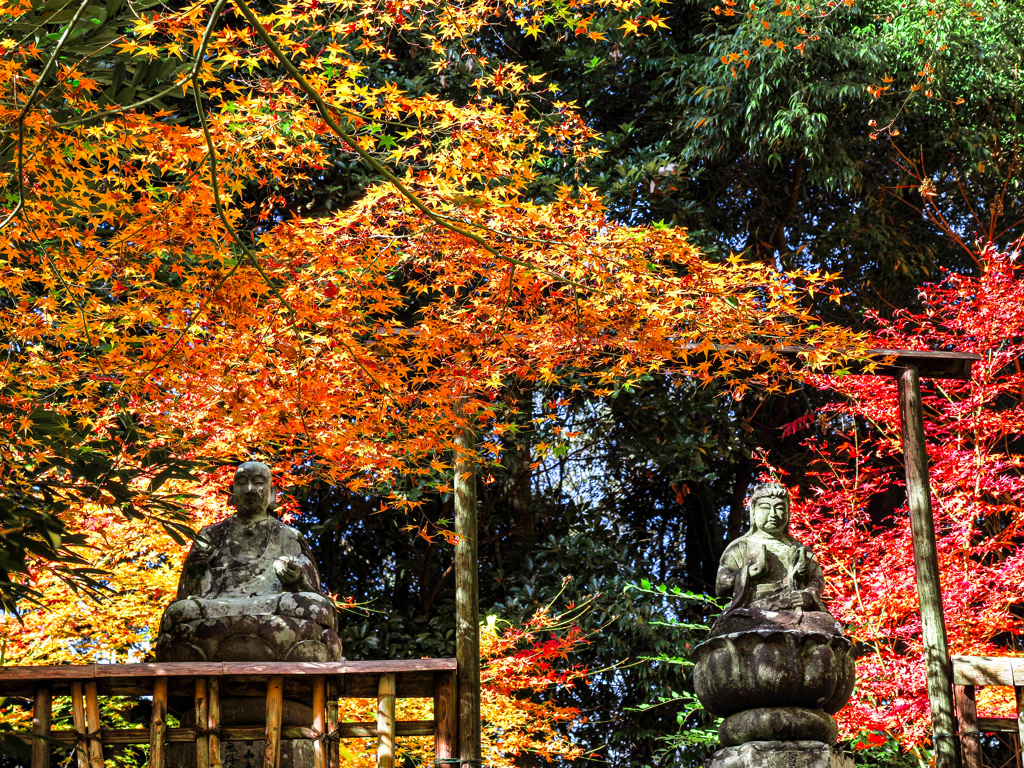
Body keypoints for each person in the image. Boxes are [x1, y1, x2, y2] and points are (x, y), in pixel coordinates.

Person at [155, 461, 342, 662]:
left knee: (315, 607)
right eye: (242, 483)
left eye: (259, 482)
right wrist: (195, 571)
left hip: (272, 606)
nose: (250, 489)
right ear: (232, 492)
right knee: (180, 612)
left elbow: (311, 589)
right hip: (220, 606)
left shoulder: (288, 535)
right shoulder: (211, 534)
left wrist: (297, 579)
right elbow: (187, 593)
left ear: (272, 494)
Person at [711, 482, 838, 636]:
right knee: (732, 623)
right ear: (753, 511)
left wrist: (808, 595)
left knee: (827, 624)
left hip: (792, 610)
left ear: (788, 513)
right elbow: (721, 585)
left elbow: (817, 580)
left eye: (779, 508)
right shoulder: (740, 547)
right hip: (754, 609)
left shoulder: (801, 550)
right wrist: (749, 573)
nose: (773, 514)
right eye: (765, 508)